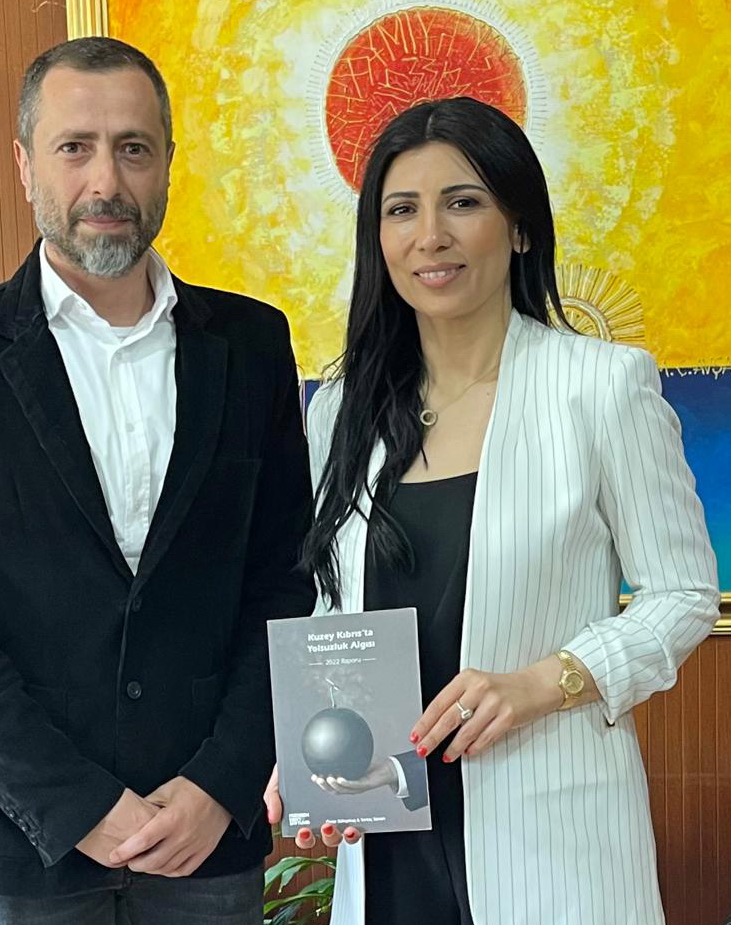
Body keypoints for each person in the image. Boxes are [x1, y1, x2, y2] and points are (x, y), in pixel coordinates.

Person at [0, 37, 314, 924]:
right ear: (24, 164)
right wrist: (77, 803)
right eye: (74, 147)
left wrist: (222, 781)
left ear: (168, 163)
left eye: (133, 148)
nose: (106, 181)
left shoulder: (252, 345)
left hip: (204, 842)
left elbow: (282, 581)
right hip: (14, 850)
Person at [265, 97, 719, 925]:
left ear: (519, 228)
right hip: (390, 829)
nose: (429, 235)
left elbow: (682, 592)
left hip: (551, 828)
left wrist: (548, 682)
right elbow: (334, 610)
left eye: (463, 202)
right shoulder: (340, 409)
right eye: (402, 209)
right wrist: (308, 741)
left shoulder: (598, 386)